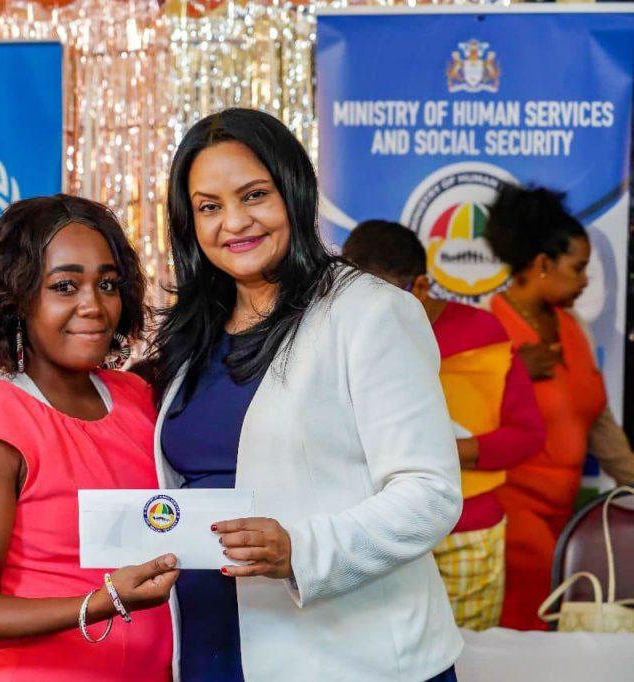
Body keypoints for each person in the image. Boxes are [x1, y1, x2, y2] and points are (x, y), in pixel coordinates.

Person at [148, 108, 463, 681]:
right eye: (209, 207)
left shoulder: (369, 312)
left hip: (349, 656)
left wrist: (303, 549)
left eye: (254, 195)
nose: (235, 222)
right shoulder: (190, 333)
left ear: (294, 192)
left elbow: (430, 493)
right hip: (211, 644)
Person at [0, 195, 177, 681]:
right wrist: (102, 604)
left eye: (107, 284)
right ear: (19, 299)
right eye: (65, 286)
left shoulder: (136, 397)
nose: (93, 305)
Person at [342, 220, 545, 630]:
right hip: (377, 529)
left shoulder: (481, 333)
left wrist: (439, 451)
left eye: (380, 298)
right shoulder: (341, 335)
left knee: (468, 658)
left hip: (466, 529)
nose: (365, 313)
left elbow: (526, 436)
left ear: (419, 286)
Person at [484, 185, 634, 630]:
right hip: (511, 517)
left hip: (565, 518)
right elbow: (457, 428)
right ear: (543, 265)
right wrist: (506, 371)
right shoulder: (488, 331)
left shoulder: (576, 328)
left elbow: (601, 428)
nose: (586, 280)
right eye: (579, 267)